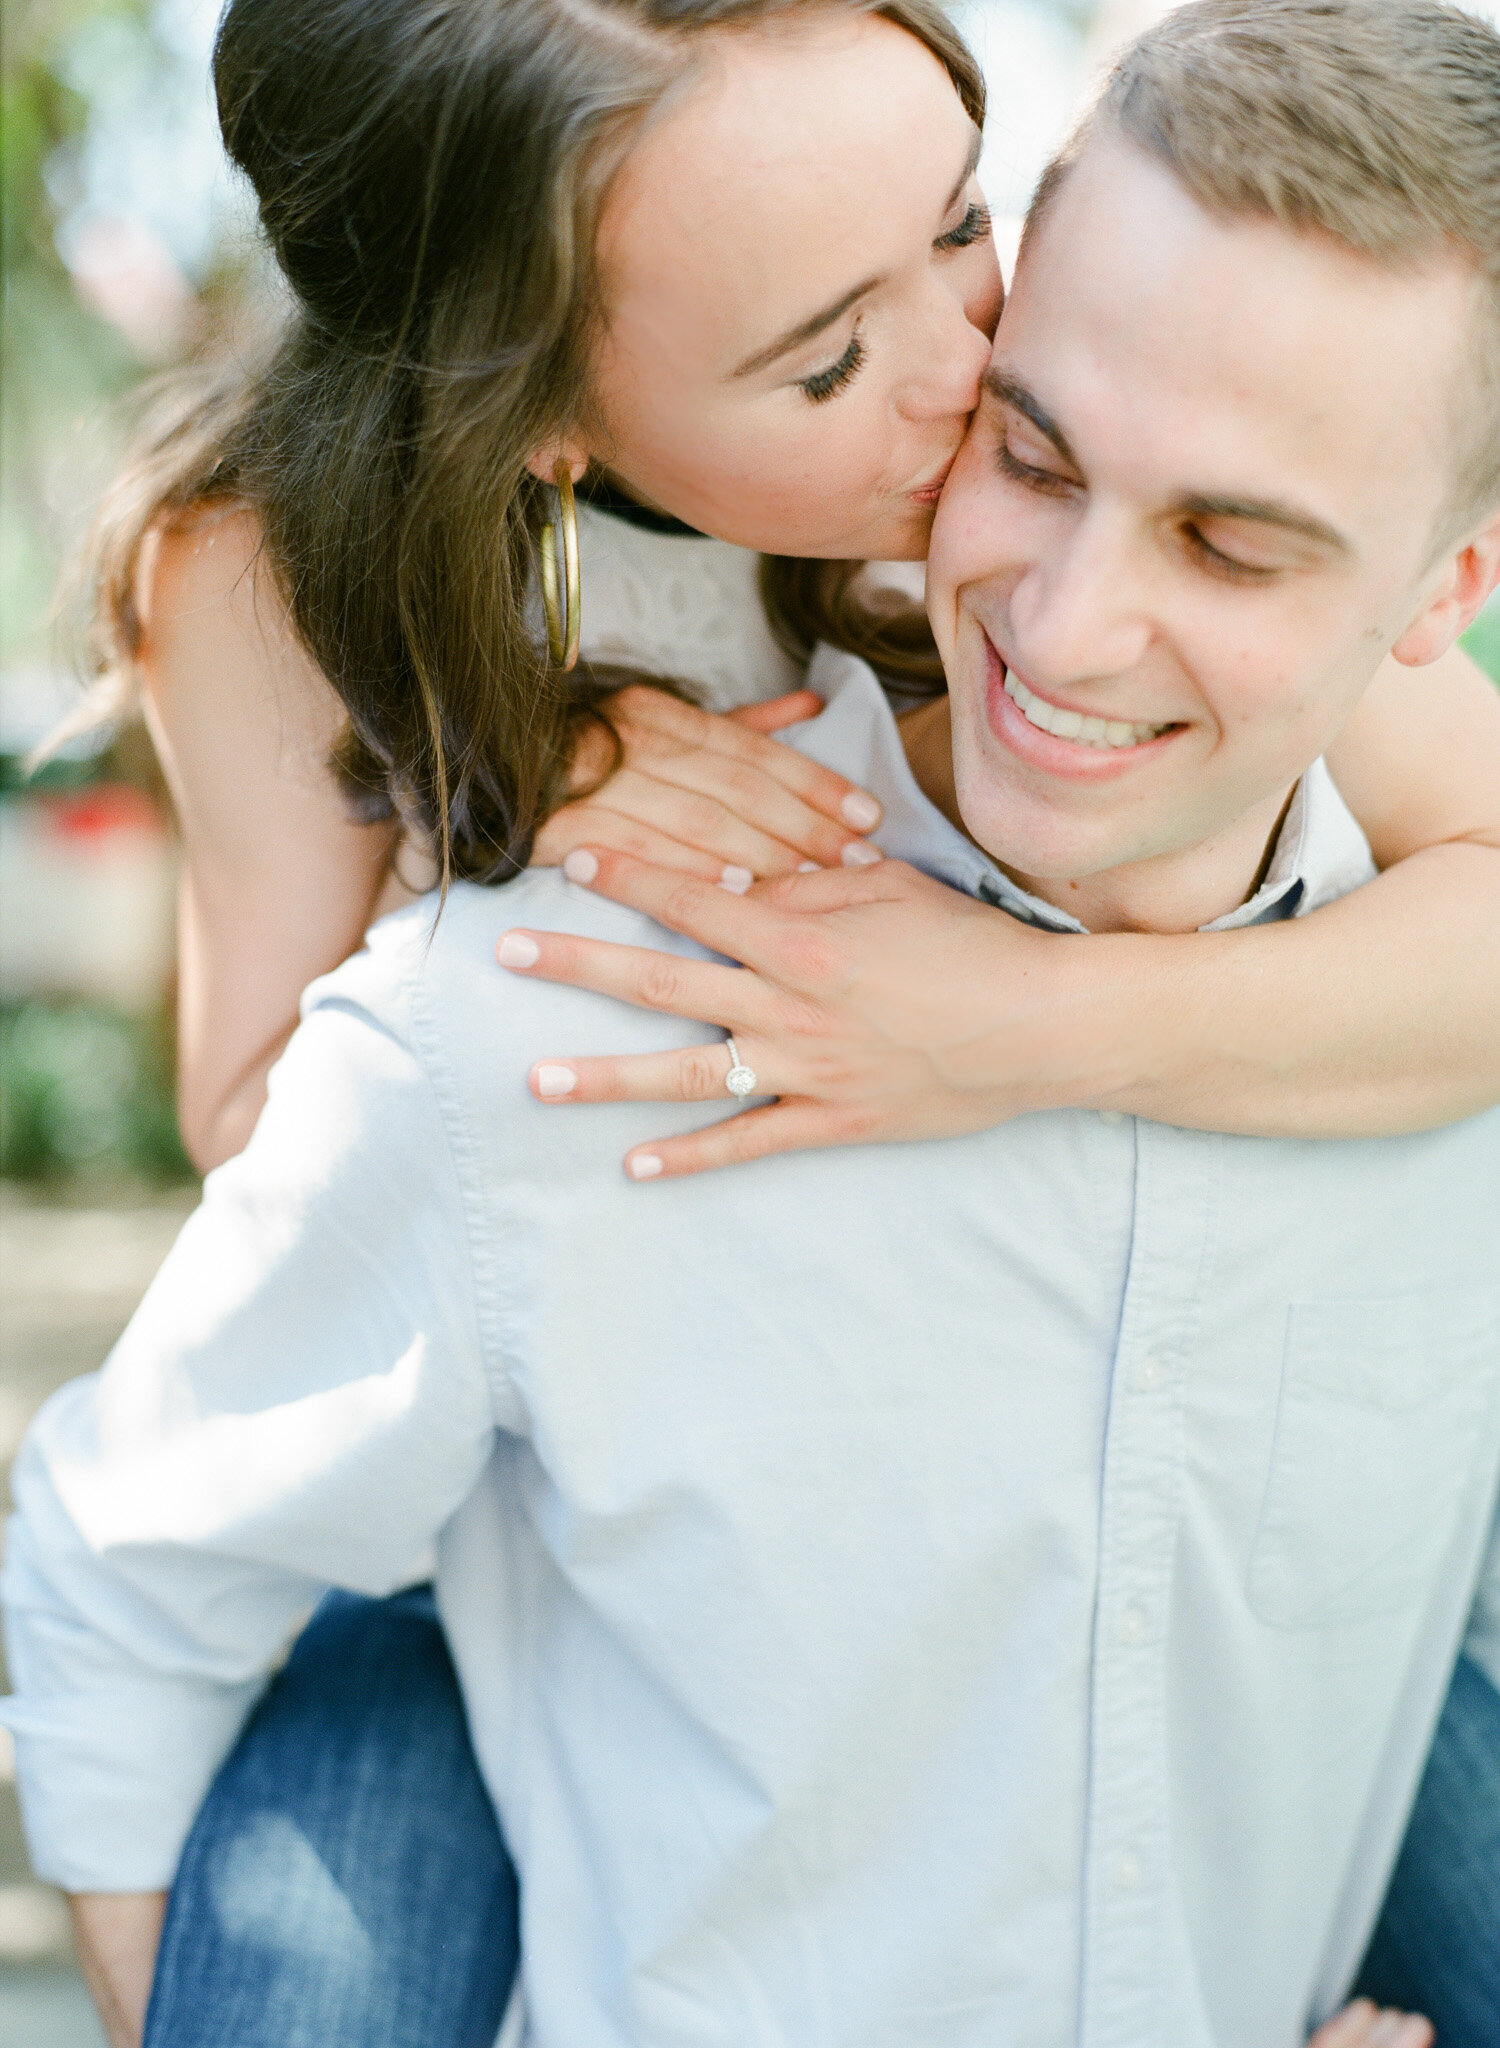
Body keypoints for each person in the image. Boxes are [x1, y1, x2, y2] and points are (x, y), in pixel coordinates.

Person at [7, 4, 1500, 2045]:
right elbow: (266, 1133)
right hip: (449, 1494)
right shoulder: (270, 572)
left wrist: (1019, 1021)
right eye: (824, 354)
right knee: (310, 1956)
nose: (976, 372)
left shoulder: (1052, 473)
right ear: (552, 411)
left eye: (962, 227)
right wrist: (534, 775)